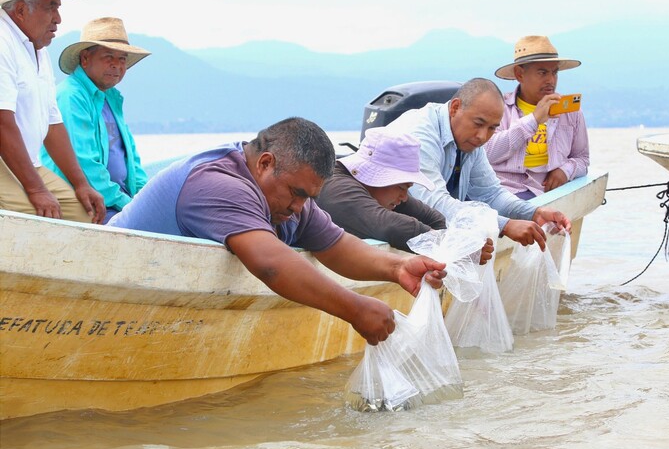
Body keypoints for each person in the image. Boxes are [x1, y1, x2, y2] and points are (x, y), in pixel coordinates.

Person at [109, 117, 447, 345]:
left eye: (309, 197)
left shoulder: (290, 198)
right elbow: (271, 263)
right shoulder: (218, 183)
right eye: (297, 193)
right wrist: (356, 310)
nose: (300, 206)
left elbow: (336, 245)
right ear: (265, 163)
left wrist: (397, 267)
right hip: (118, 293)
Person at [382, 77, 571, 251]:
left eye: (492, 128)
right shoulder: (419, 135)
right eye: (478, 123)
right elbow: (434, 204)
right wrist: (505, 225)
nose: (483, 136)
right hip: (382, 220)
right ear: (455, 108)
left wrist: (534, 213)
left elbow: (490, 193)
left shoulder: (471, 141)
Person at [0, 0, 104, 223]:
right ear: (20, 10)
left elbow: (52, 122)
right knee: (36, 222)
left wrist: (81, 184)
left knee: (83, 215)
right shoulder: (2, 42)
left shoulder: (38, 50)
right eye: (51, 7)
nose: (58, 19)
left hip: (27, 162)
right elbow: (2, 122)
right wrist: (36, 190)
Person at [40, 17, 150, 223]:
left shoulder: (111, 97)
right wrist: (128, 205)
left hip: (117, 200)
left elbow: (131, 158)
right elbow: (84, 162)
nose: (117, 65)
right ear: (85, 59)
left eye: (122, 58)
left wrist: (145, 197)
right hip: (92, 202)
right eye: (109, 56)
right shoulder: (72, 95)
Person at [485, 35, 590, 199]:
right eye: (542, 72)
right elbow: (487, 152)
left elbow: (582, 158)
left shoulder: (571, 112)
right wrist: (533, 120)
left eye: (554, 73)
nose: (551, 80)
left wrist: (565, 171)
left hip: (548, 192)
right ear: (519, 74)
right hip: (505, 191)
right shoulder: (499, 108)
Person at [317, 127, 447, 252]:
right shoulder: (336, 189)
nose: (404, 197)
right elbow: (388, 226)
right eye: (401, 188)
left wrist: (448, 240)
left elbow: (434, 219)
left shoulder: (378, 192)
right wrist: (442, 244)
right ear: (374, 176)